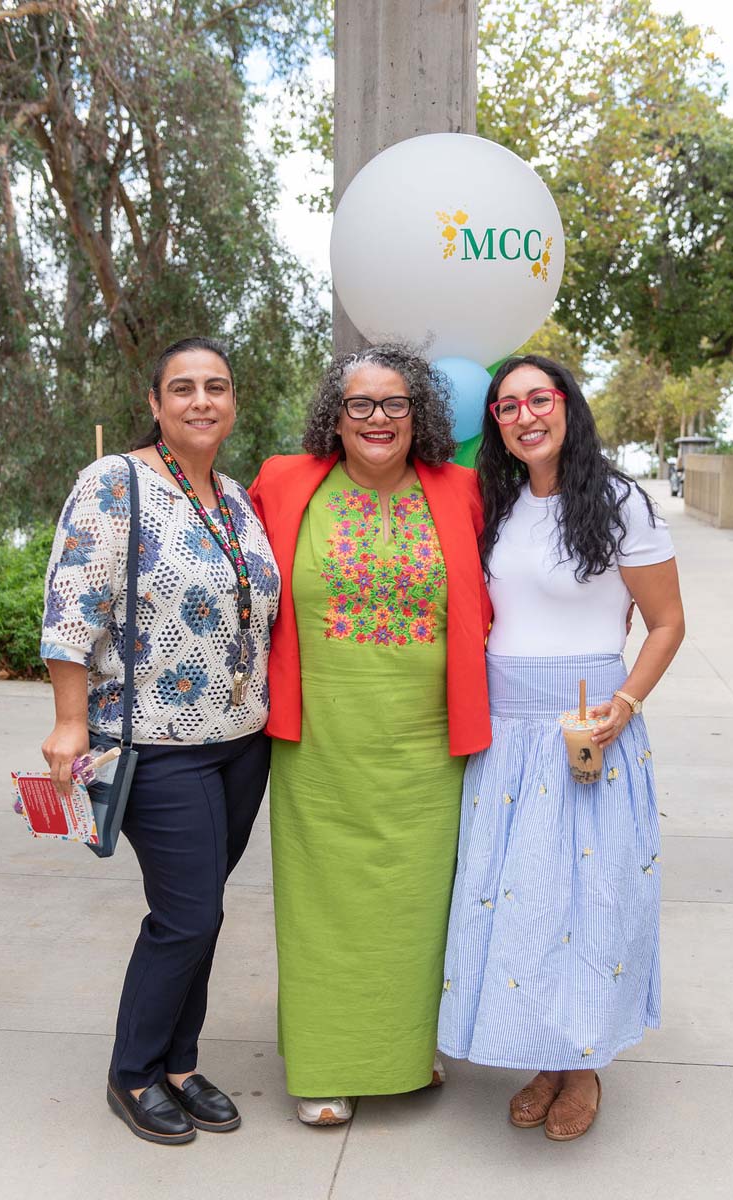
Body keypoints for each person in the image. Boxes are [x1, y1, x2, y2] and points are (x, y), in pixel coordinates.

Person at [438, 354, 685, 1142]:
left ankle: (581, 1068)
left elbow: (666, 623)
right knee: (522, 906)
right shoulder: (495, 504)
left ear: (567, 406)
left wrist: (625, 703)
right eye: (506, 406)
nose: (524, 416)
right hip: (504, 738)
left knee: (585, 905)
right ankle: (545, 1056)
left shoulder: (618, 504)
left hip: (587, 732)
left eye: (537, 399)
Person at [40, 336, 280, 1145]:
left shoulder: (236, 499)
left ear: (233, 400)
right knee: (187, 915)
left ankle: (180, 1063)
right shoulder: (115, 482)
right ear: (154, 403)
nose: (201, 401)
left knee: (202, 913)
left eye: (216, 386)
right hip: (154, 742)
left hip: (241, 741)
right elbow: (71, 605)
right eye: (183, 388)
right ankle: (133, 1071)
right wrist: (69, 721)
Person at [249, 344, 492, 1125]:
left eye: (394, 403)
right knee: (323, 904)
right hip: (320, 740)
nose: (377, 418)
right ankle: (327, 1066)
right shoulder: (282, 482)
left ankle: (403, 1049)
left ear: (419, 414)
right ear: (336, 414)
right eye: (360, 404)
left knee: (417, 904)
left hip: (426, 742)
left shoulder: (461, 490)